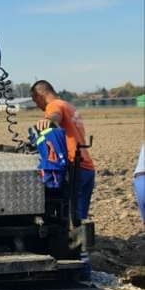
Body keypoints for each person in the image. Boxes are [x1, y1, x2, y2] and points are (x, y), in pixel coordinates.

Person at [30, 80, 95, 223]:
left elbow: (55, 116)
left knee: (67, 216)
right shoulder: (69, 106)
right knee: (79, 216)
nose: (37, 105)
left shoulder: (54, 105)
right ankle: (82, 241)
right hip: (87, 167)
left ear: (41, 94)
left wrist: (48, 120)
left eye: (35, 100)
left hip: (74, 167)